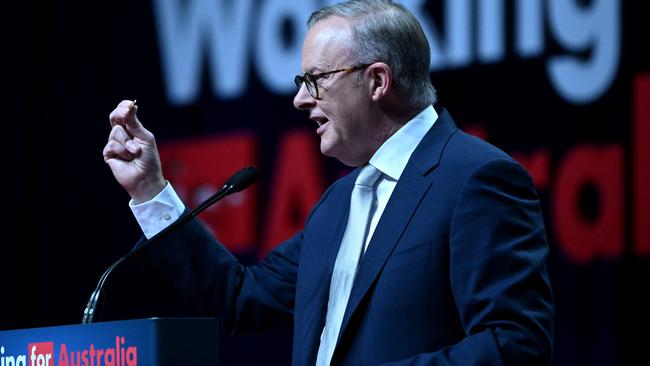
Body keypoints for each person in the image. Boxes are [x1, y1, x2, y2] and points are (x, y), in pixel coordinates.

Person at [103, 0, 554, 364]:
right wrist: (150, 190)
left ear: (377, 81)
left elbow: (514, 343)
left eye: (315, 80)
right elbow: (241, 299)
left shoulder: (475, 178)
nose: (300, 99)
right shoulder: (339, 203)